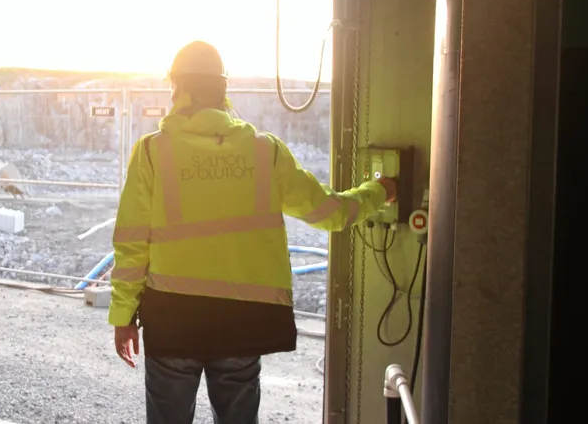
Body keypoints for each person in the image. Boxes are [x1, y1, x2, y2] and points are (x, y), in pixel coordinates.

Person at [108, 41, 398, 424]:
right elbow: (329, 212)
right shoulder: (265, 151)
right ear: (222, 90)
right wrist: (380, 191)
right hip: (241, 322)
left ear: (178, 90)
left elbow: (131, 246)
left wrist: (123, 316)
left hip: (173, 319)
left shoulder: (151, 153)